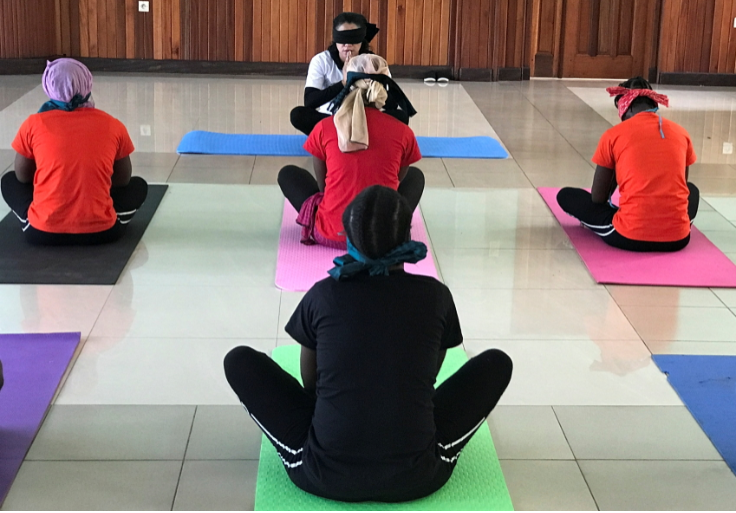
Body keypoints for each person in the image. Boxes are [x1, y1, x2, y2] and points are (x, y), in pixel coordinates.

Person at [224, 186, 513, 503]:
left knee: (239, 361)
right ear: (408, 236)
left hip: (322, 473)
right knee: (496, 364)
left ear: (347, 235)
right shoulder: (436, 296)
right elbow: (430, 372)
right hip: (418, 476)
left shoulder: (323, 294)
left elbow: (312, 383)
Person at [279, 54, 423, 250]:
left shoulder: (324, 127)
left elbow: (323, 185)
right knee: (416, 177)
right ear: (384, 88)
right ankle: (395, 227)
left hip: (330, 233)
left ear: (347, 84)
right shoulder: (403, 132)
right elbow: (397, 182)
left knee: (288, 174)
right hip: (382, 240)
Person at [1, 58, 148, 246]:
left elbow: (22, 177)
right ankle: (97, 216)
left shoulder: (33, 124)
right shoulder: (113, 124)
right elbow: (123, 180)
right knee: (138, 185)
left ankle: (41, 217)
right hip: (103, 233)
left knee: (8, 180)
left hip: (41, 233)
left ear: (48, 86)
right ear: (87, 83)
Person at [556, 76, 699, 252]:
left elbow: (598, 198)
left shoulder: (613, 135)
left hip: (629, 236)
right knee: (692, 190)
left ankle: (632, 219)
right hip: (678, 238)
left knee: (567, 196)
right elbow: (682, 186)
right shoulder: (681, 133)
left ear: (627, 107)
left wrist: (617, 169)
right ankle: (672, 223)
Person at [290, 12, 410, 135]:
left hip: (366, 121)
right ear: (335, 39)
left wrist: (375, 80)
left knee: (401, 116)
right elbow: (310, 101)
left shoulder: (374, 62)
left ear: (361, 40)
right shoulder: (321, 61)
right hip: (332, 120)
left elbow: (392, 104)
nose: (347, 45)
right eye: (342, 40)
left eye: (353, 39)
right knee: (298, 114)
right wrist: (343, 83)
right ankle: (334, 139)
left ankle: (361, 138)